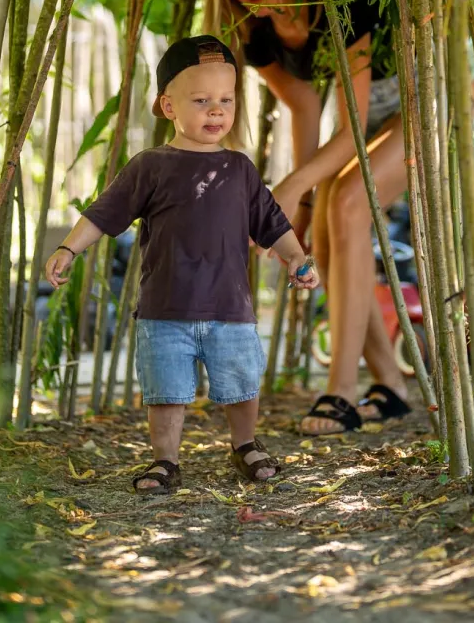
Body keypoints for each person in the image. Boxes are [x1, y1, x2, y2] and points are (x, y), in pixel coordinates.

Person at [45, 34, 320, 493]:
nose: (216, 110)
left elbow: (271, 222)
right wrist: (68, 248)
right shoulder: (150, 166)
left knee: (242, 385)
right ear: (168, 106)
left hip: (229, 308)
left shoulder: (239, 168)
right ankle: (165, 460)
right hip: (165, 308)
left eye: (226, 100)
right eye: (201, 100)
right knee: (166, 393)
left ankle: (245, 444)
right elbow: (104, 212)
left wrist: (295, 257)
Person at [203, 0, 412, 436]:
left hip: (425, 106)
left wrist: (293, 187)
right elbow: (303, 109)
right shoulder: (259, 33)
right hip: (366, 125)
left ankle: (340, 391)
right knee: (323, 227)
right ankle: (390, 384)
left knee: (345, 204)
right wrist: (297, 207)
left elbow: (353, 124)